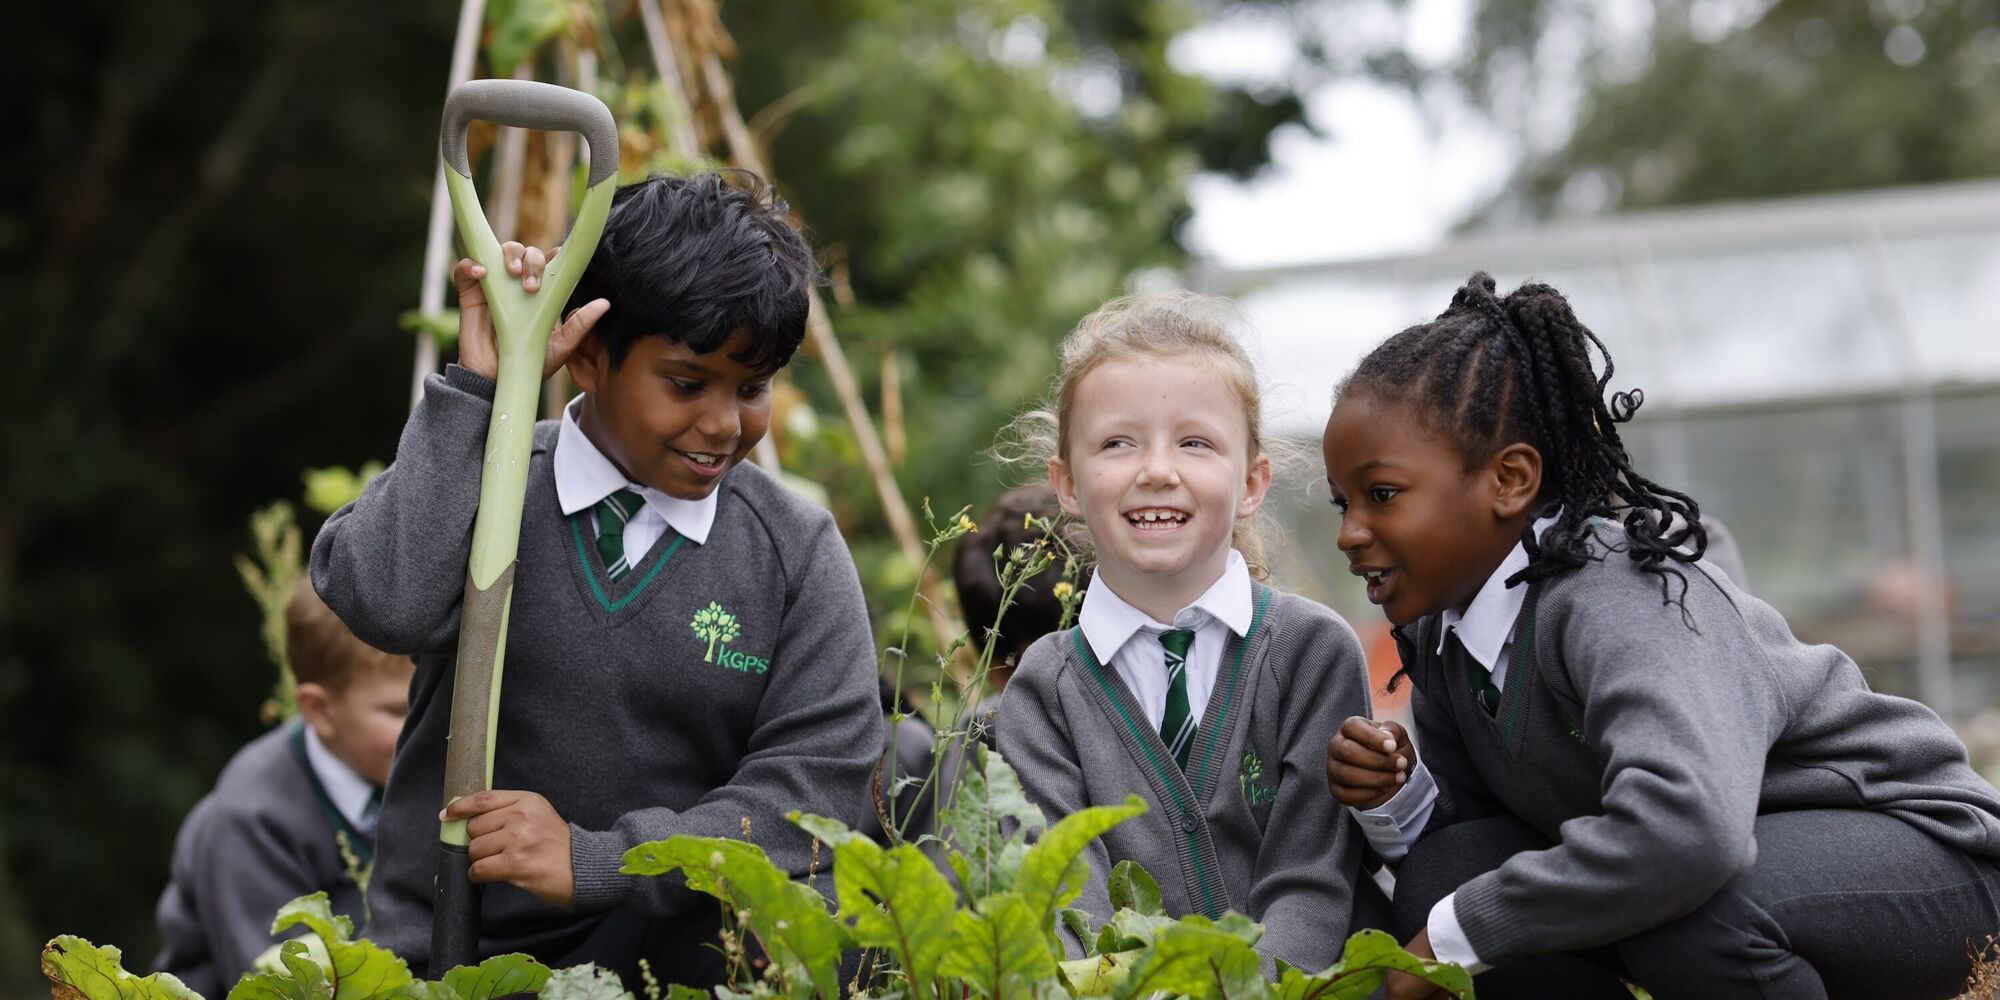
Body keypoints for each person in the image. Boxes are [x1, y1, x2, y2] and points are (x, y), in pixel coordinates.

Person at [1322, 272, 2000, 1000]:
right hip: (1736, 859)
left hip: (1922, 859)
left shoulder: (1621, 594)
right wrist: (1398, 798)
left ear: (1510, 480)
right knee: (1447, 873)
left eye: (1382, 495)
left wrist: (1453, 936)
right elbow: (1489, 834)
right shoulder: (1445, 635)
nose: (1349, 533)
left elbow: (1688, 834)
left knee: (1694, 913)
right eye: (1342, 503)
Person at [309, 171, 882, 986]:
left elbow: (813, 798)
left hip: (673, 959)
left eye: (751, 388)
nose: (724, 424)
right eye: (687, 383)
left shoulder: (792, 552)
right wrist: (480, 392)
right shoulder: (494, 481)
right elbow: (384, 603)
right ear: (586, 357)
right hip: (452, 959)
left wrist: (605, 860)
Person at [997, 291, 1382, 973]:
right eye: (1117, 443)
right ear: (1065, 484)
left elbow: (1310, 888)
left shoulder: (1311, 654)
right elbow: (1067, 909)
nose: (1156, 471)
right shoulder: (1044, 691)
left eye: (1195, 443)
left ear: (1252, 483)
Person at [154, 580, 413, 997]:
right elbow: (279, 985)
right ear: (319, 710)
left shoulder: (411, 773)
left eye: (434, 701)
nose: (425, 728)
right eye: (398, 710)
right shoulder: (251, 821)